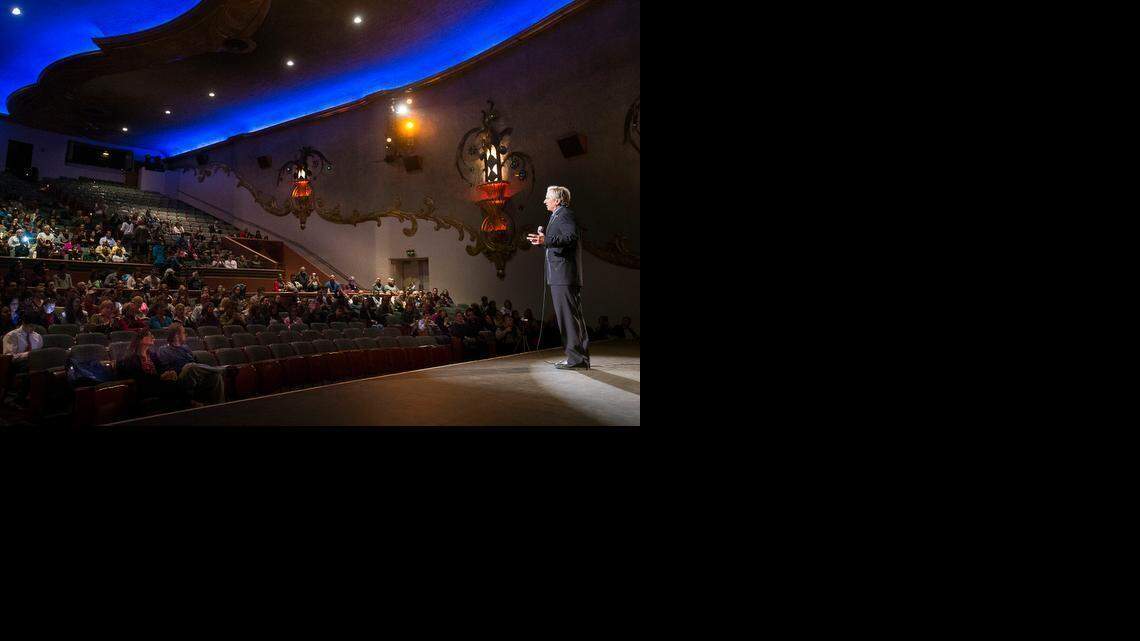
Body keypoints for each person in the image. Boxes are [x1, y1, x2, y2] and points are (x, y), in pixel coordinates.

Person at [527, 185, 589, 369]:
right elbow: (559, 242)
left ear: (557, 200)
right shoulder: (557, 215)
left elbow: (571, 238)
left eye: (547, 197)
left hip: (563, 275)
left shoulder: (564, 214)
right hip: (563, 274)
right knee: (573, 317)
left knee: (567, 317)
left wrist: (546, 240)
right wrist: (543, 240)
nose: (544, 201)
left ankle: (575, 359)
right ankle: (580, 357)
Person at [115, 326, 225, 407]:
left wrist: (167, 373)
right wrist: (163, 376)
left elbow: (162, 369)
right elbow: (139, 377)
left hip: (162, 381)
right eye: (149, 335)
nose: (153, 337)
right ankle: (189, 402)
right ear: (141, 339)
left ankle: (219, 407)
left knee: (215, 376)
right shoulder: (131, 359)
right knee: (186, 370)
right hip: (148, 386)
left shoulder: (152, 355)